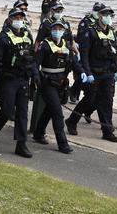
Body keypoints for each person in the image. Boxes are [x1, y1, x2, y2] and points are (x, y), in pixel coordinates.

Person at [65, 3, 117, 143]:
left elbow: (115, 53)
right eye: (106, 15)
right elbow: (84, 54)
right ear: (100, 16)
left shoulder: (112, 32)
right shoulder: (90, 31)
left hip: (108, 72)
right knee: (90, 99)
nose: (109, 18)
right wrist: (87, 72)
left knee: (107, 101)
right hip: (94, 72)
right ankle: (72, 121)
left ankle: (107, 131)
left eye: (110, 15)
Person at [0, 8, 39, 158]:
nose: (19, 19)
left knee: (22, 112)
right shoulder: (1, 38)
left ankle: (21, 144)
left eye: (21, 17)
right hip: (8, 80)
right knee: (7, 110)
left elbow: (32, 58)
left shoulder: (27, 35)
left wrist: (35, 75)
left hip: (23, 79)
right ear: (9, 19)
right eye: (16, 17)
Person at [33, 20, 85, 154]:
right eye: (55, 28)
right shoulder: (45, 46)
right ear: (51, 30)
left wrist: (83, 73)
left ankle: (38, 133)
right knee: (57, 113)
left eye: (60, 29)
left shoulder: (66, 45)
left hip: (61, 83)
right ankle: (63, 144)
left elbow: (74, 62)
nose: (58, 31)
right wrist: (36, 79)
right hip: (47, 83)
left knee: (50, 110)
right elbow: (35, 64)